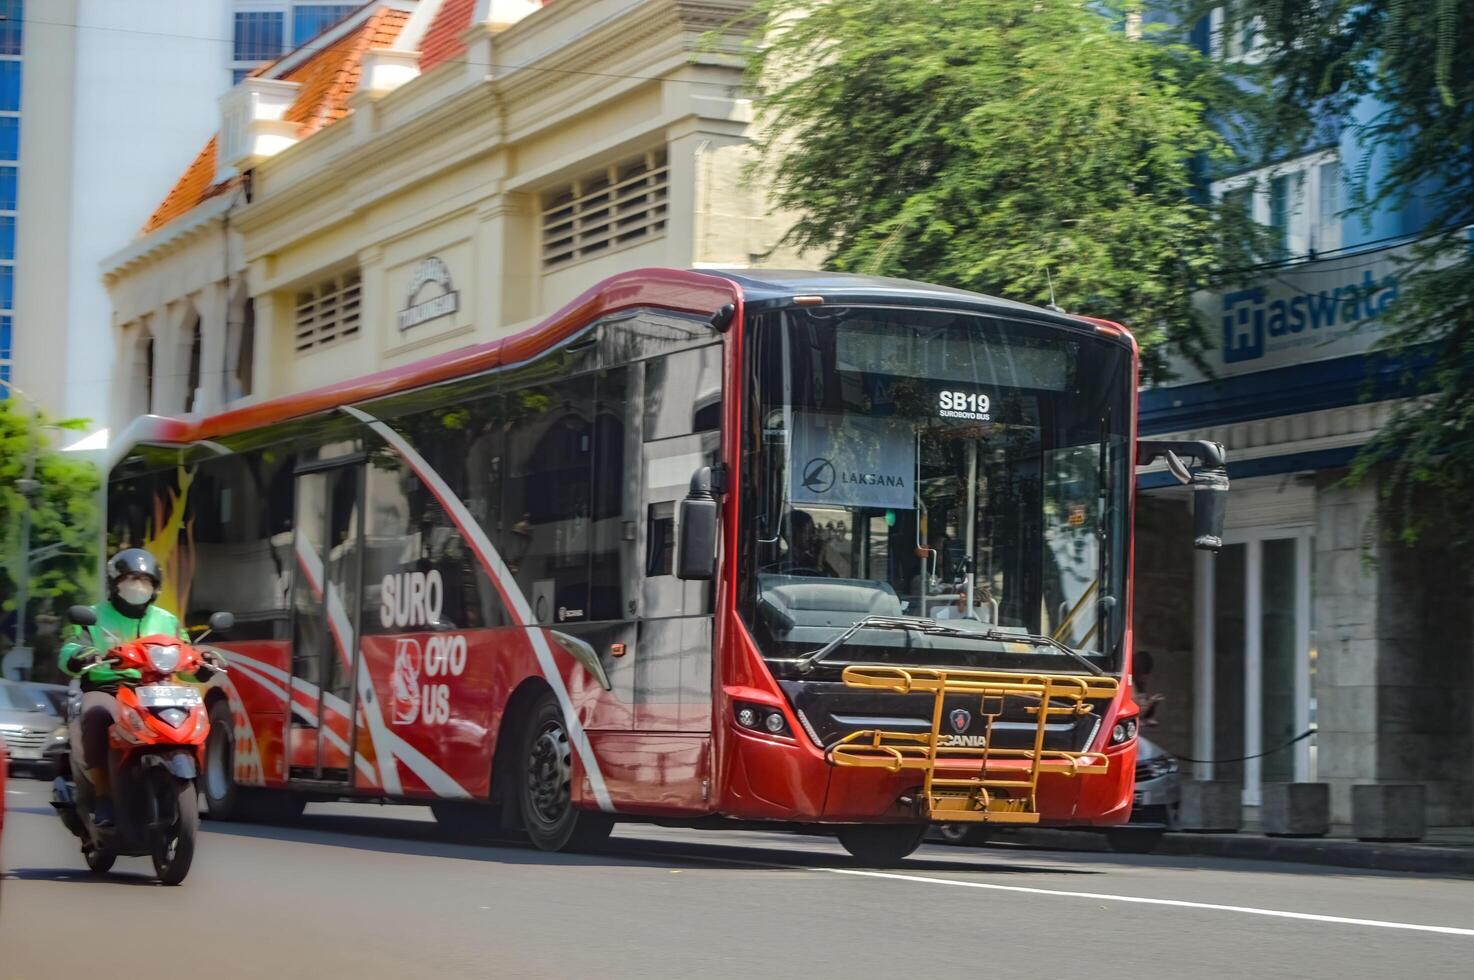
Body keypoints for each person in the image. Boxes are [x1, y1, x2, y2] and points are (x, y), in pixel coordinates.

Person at [58, 549, 188, 826]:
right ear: (115, 582)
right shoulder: (92, 616)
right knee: (96, 717)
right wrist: (80, 654)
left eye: (144, 579)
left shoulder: (168, 620)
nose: (137, 585)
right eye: (130, 578)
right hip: (108, 688)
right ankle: (104, 796)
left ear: (154, 586)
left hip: (156, 691)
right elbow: (70, 650)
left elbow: (187, 652)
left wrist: (202, 660)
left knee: (191, 719)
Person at [786, 510, 838, 576]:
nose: (812, 536)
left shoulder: (811, 559)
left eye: (812, 531)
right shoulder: (785, 562)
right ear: (793, 533)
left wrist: (820, 557)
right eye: (807, 532)